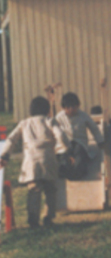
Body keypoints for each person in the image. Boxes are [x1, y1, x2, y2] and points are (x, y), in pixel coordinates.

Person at [0, 96, 68, 228]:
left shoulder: (24, 123)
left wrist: (5, 155)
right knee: (51, 191)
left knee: (34, 191)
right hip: (48, 160)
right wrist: (67, 149)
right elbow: (60, 135)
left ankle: (33, 219)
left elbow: (11, 139)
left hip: (31, 162)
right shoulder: (50, 120)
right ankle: (48, 217)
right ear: (47, 110)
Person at [55, 92, 105, 181]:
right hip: (65, 144)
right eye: (68, 108)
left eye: (73, 107)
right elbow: (54, 130)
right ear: (63, 108)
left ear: (78, 106)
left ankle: (79, 171)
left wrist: (100, 141)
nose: (71, 110)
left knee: (79, 156)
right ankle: (64, 171)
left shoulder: (83, 115)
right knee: (63, 157)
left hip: (79, 142)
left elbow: (94, 128)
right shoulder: (59, 117)